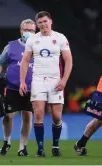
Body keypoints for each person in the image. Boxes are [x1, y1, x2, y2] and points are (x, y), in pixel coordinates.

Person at [19, 11, 73, 157]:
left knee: (56, 116)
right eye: (40, 23)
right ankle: (40, 148)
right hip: (38, 80)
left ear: (50, 21)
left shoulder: (60, 38)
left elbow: (68, 60)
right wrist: (22, 81)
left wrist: (64, 80)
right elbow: (25, 61)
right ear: (37, 25)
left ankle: (55, 146)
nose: (43, 24)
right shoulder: (32, 40)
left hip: (55, 80)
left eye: (45, 21)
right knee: (38, 113)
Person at [0, 19, 36, 156]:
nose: (28, 32)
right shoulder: (11, 46)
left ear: (35, 32)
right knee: (7, 116)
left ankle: (22, 147)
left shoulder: (39, 47)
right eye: (26, 30)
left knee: (27, 116)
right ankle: (7, 141)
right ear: (20, 30)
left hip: (32, 88)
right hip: (12, 87)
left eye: (31, 30)